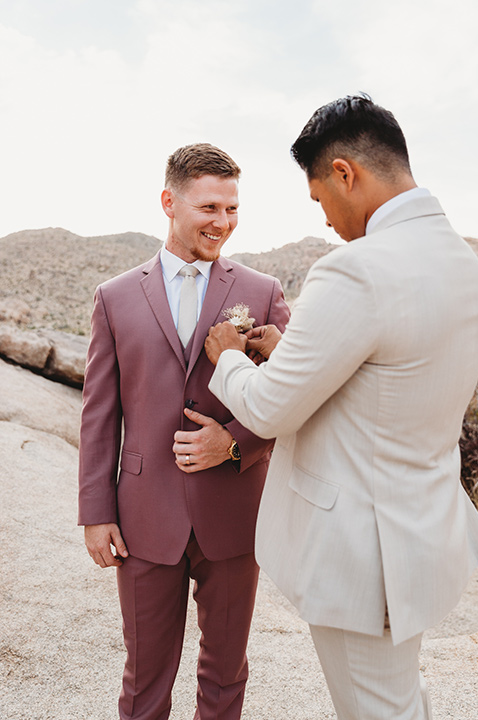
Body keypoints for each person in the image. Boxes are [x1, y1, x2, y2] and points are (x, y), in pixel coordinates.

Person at [204, 96, 478, 719]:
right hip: (421, 538)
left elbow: (271, 411)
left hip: (364, 555)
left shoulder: (355, 269)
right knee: (403, 698)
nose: (325, 219)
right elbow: (395, 372)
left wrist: (229, 358)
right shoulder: (464, 263)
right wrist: (293, 347)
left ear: (345, 173)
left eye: (319, 198)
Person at [78, 142, 290, 720]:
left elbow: (296, 397)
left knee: (225, 677)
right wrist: (97, 513)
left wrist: (236, 442)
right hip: (144, 514)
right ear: (169, 201)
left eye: (232, 209)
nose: (223, 223)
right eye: (209, 208)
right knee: (144, 677)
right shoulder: (115, 297)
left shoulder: (262, 293)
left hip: (233, 512)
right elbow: (99, 413)